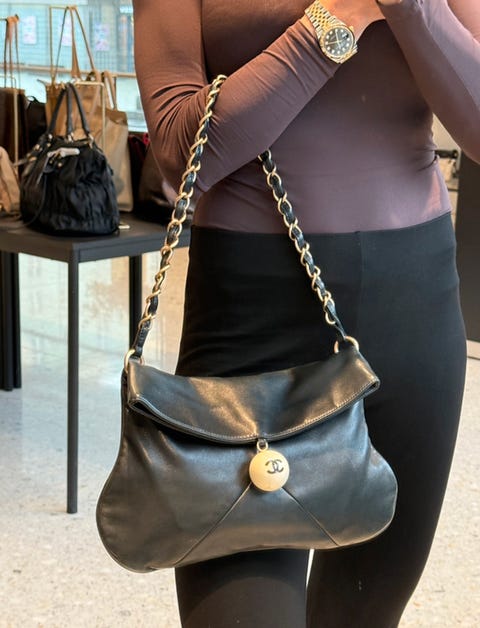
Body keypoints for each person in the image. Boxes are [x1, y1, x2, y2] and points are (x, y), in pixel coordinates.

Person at [132, 1, 480, 626]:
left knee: (364, 612)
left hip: (415, 313)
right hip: (251, 318)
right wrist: (338, 17)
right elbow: (183, 152)